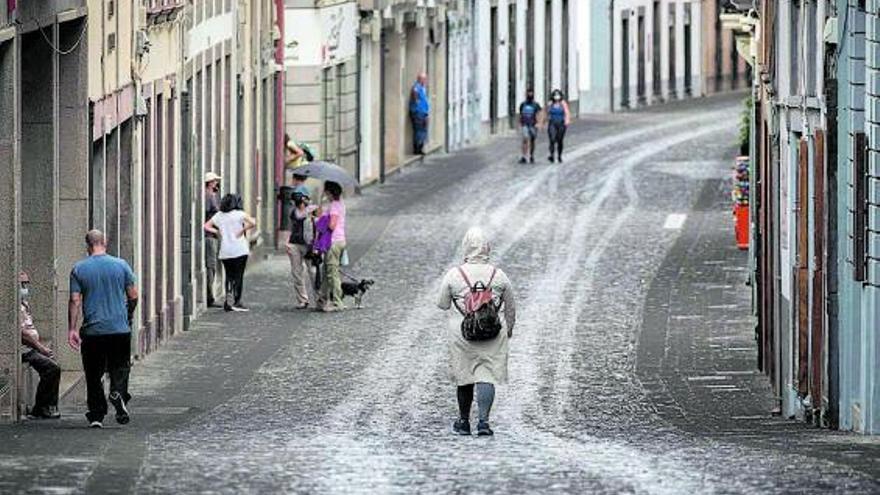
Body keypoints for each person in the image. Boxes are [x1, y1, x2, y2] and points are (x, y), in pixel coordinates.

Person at [436, 227, 516, 436]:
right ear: (487, 248)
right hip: (492, 333)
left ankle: (463, 422)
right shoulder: (499, 275)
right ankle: (483, 422)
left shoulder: (454, 274)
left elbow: (442, 304)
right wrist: (509, 329)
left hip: (462, 334)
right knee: (486, 375)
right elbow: (510, 306)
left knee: (465, 376)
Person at [68, 230, 138, 429]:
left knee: (93, 373)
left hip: (93, 331)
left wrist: (72, 328)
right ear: (105, 242)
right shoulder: (121, 265)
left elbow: (74, 300)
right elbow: (133, 295)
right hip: (119, 328)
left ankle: (97, 414)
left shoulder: (79, 269)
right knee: (121, 366)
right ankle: (117, 393)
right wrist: (128, 315)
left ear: (87, 245)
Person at [19, 271, 61, 420]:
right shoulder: (15, 307)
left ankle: (49, 405)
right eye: (21, 284)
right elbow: (22, 333)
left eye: (26, 284)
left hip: (31, 347)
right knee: (52, 368)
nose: (24, 287)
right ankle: (42, 408)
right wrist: (40, 348)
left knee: (53, 366)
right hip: (25, 349)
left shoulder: (24, 305)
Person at [204, 194, 256, 312]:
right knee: (239, 275)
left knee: (229, 275)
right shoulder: (239, 214)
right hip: (240, 249)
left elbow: (206, 226)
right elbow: (253, 222)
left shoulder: (219, 215)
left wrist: (217, 231)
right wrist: (242, 230)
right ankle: (237, 301)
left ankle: (228, 300)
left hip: (226, 251)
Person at [317, 181, 346, 312]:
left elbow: (332, 225)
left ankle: (337, 302)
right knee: (326, 270)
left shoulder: (334, 206)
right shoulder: (340, 204)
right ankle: (322, 300)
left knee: (332, 273)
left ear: (329, 192)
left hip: (334, 241)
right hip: (339, 240)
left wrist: (324, 220)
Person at [286, 190, 317, 309]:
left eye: (302, 201)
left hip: (310, 245)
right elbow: (292, 225)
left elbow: (320, 226)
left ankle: (319, 298)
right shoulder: (293, 212)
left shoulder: (313, 210)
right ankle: (303, 300)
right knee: (297, 273)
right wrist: (287, 242)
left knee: (313, 272)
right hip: (295, 243)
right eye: (297, 201)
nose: (300, 204)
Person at [204, 171, 222, 308]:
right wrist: (215, 230)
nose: (217, 183)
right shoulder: (209, 197)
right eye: (215, 181)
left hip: (212, 236)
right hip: (209, 236)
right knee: (211, 266)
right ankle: (210, 296)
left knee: (212, 266)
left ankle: (210, 295)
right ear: (210, 183)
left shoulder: (212, 196)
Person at [545, 89, 571, 163]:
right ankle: (552, 155)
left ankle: (559, 155)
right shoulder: (550, 104)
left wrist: (567, 121)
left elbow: (567, 113)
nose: (556, 97)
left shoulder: (563, 104)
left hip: (561, 124)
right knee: (552, 139)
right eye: (555, 95)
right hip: (552, 123)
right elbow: (546, 112)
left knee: (559, 140)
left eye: (558, 95)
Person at [518, 88, 542, 164]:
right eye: (528, 93)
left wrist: (539, 123)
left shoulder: (536, 105)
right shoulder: (522, 104)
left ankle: (531, 155)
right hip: (525, 124)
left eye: (531, 93)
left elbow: (539, 114)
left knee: (532, 140)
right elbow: (520, 114)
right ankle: (524, 156)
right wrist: (519, 124)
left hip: (533, 125)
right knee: (525, 139)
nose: (530, 95)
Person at [409, 72, 431, 155]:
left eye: (426, 79)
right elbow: (415, 95)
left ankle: (420, 146)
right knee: (419, 130)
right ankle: (417, 148)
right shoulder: (417, 87)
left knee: (423, 130)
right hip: (418, 112)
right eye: (424, 79)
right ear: (420, 79)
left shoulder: (422, 88)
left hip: (423, 112)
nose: (425, 81)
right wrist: (416, 101)